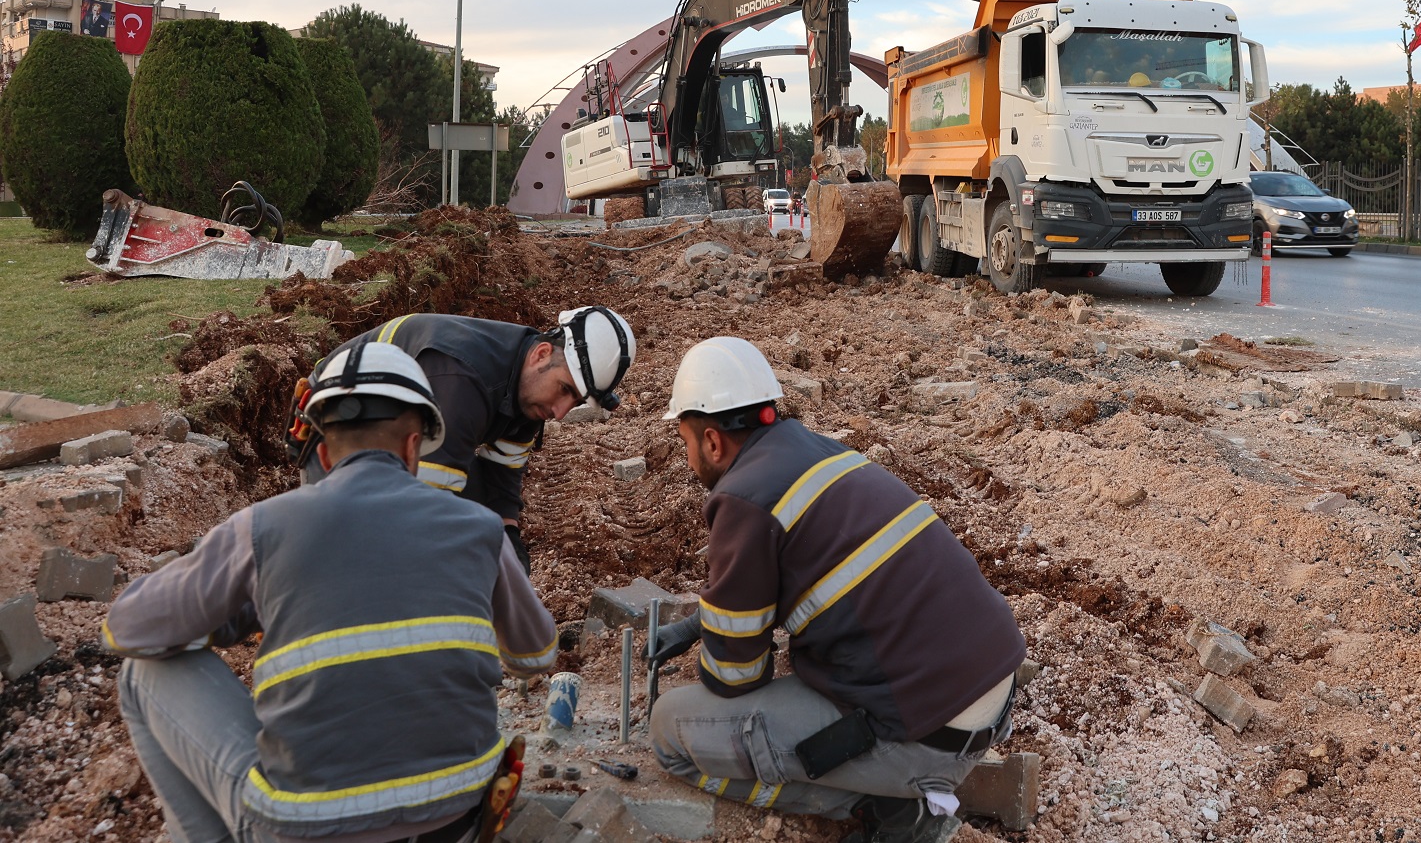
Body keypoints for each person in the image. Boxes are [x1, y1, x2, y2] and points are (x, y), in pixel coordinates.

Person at [109, 340, 558, 843]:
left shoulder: (262, 527)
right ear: (414, 447)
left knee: (141, 672)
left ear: (322, 452)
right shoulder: (479, 527)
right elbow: (538, 653)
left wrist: (250, 605)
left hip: (308, 830)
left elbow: (127, 630)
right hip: (455, 821)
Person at [646, 338, 1025, 843]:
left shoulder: (741, 498)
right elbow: (820, 572)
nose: (688, 454)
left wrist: (713, 647)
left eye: (686, 440)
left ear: (712, 441)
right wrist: (698, 622)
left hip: (925, 738)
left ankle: (882, 806)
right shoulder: (817, 452)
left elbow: (735, 679)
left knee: (669, 728)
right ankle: (897, 788)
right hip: (990, 700)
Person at [292, 308, 637, 568]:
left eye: (574, 402)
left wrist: (508, 542)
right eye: (564, 390)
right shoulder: (463, 382)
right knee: (352, 550)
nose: (561, 411)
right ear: (542, 354)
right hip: (340, 421)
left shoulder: (528, 396)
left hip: (407, 428)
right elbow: (421, 512)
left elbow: (499, 485)